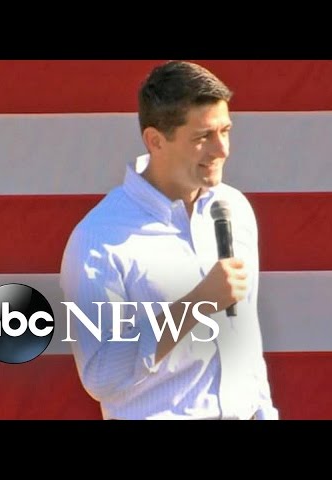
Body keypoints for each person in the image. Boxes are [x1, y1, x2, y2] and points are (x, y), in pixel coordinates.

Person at [59, 60, 279, 420]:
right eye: (203, 137)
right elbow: (101, 375)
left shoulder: (234, 208)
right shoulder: (99, 239)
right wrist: (198, 303)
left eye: (225, 130)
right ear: (155, 141)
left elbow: (245, 340)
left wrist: (265, 412)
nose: (222, 149)